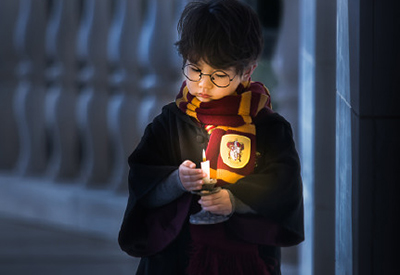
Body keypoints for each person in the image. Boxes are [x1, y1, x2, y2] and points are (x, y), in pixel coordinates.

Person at [118, 0, 304, 274]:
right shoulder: (172, 121)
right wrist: (176, 181)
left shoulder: (267, 128)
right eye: (194, 69)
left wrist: (235, 200)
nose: (203, 84)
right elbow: (142, 185)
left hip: (246, 262)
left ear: (247, 71)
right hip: (176, 259)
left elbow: (283, 191)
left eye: (218, 75)